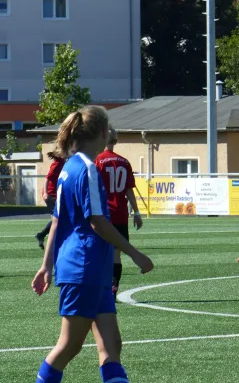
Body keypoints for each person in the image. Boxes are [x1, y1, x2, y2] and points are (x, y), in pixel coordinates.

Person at [31, 106, 154, 383]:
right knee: (69, 346)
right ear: (102, 132)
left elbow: (57, 221)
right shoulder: (86, 169)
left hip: (93, 267)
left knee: (111, 346)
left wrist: (46, 265)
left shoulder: (69, 167)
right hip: (84, 267)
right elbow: (97, 222)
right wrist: (135, 254)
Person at [96, 126, 143, 301]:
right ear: (115, 141)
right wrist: (137, 212)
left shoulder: (97, 161)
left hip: (102, 214)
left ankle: (101, 288)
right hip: (121, 213)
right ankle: (113, 289)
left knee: (97, 252)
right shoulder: (124, 162)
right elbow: (130, 190)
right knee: (116, 254)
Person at [35, 152, 65, 250]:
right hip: (51, 195)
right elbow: (47, 178)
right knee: (58, 218)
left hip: (55, 194)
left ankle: (42, 235)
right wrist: (46, 193)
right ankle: (42, 235)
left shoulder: (62, 162)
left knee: (59, 218)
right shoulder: (58, 163)